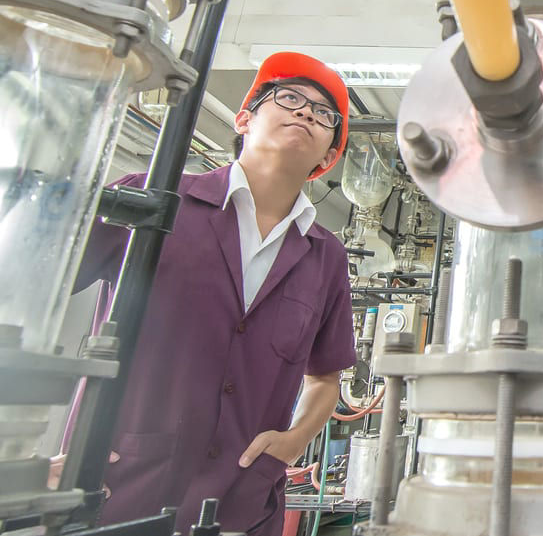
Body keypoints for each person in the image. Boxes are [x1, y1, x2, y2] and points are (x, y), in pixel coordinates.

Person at [68, 52, 357, 536]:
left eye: (324, 115)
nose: (306, 112)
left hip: (241, 502)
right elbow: (34, 284)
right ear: (244, 118)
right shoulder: (153, 200)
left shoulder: (326, 257)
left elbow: (325, 377)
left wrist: (295, 440)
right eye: (289, 98)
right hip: (120, 489)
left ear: (327, 159)